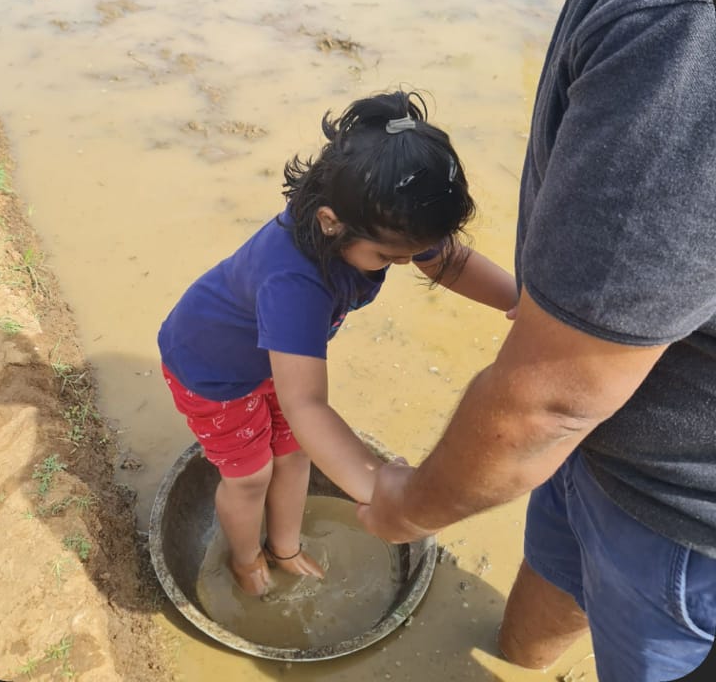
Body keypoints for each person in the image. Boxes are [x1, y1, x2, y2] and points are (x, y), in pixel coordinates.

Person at [357, 0, 716, 682]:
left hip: (677, 517)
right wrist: (534, 310)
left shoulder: (688, 30)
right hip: (590, 444)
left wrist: (409, 507)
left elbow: (543, 409)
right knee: (546, 593)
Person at [157, 91, 518, 597]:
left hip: (274, 363)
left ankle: (284, 547)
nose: (405, 262)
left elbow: (447, 262)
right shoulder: (293, 283)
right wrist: (382, 490)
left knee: (296, 454)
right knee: (250, 476)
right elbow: (305, 402)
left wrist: (519, 301)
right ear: (330, 221)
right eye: (390, 257)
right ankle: (245, 560)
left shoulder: (383, 213)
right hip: (212, 372)